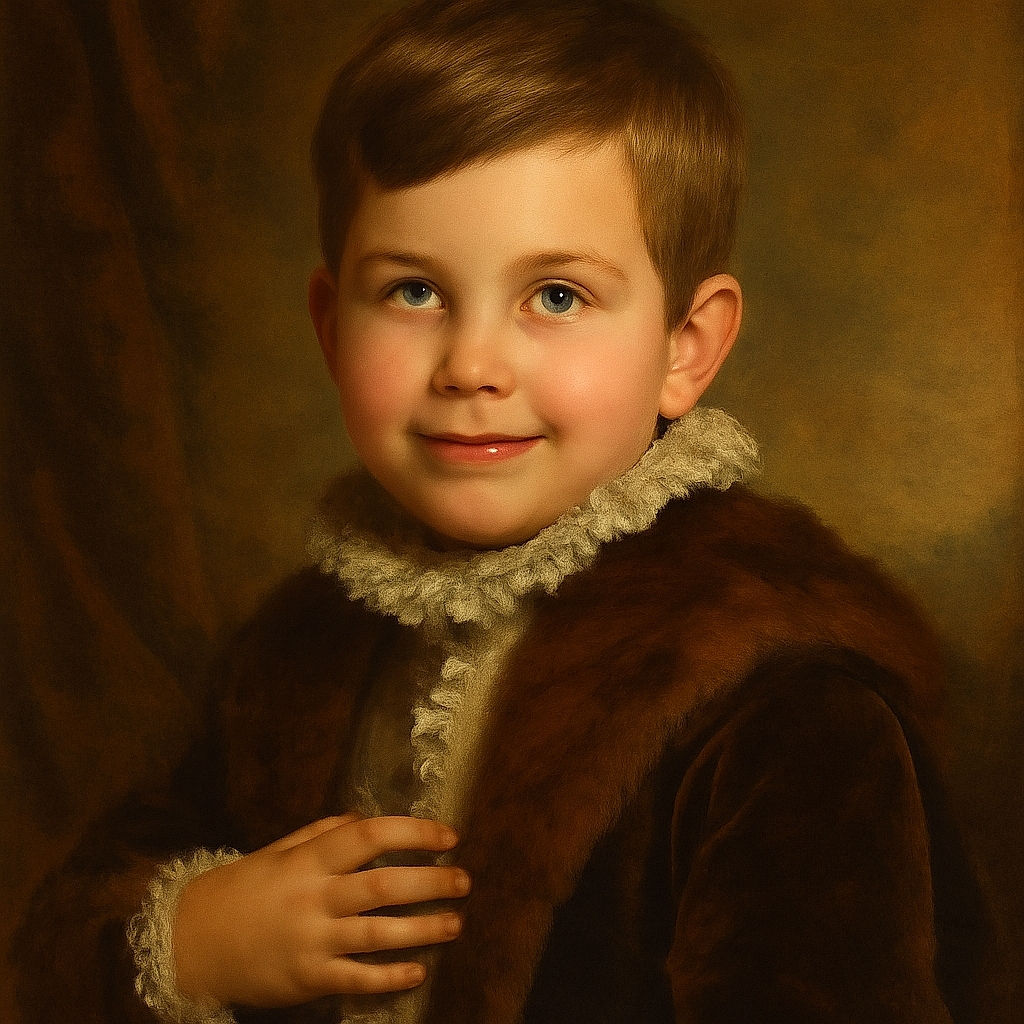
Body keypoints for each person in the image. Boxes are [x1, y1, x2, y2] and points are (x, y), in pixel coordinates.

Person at [16, 0, 993, 1022]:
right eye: (412, 292)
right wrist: (203, 940)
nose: (472, 366)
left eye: (557, 296)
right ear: (328, 323)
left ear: (684, 346)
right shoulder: (297, 649)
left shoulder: (780, 694)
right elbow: (66, 930)